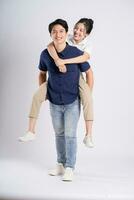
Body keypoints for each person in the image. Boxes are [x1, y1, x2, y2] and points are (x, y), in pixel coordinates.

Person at [19, 18, 94, 148]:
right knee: (36, 96)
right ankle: (31, 131)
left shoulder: (86, 46)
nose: (77, 31)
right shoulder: (66, 36)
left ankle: (88, 135)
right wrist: (58, 60)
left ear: (86, 34)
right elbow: (50, 46)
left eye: (82, 30)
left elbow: (85, 59)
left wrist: (64, 62)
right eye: (76, 28)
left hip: (76, 76)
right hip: (56, 79)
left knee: (88, 99)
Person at [39, 18, 91, 181]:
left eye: (61, 31)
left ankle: (70, 166)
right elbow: (41, 73)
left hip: (72, 100)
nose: (58, 34)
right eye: (54, 31)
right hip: (55, 101)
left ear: (65, 32)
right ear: (50, 34)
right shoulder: (46, 52)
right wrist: (45, 92)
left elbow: (89, 72)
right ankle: (60, 164)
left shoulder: (77, 51)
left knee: (70, 135)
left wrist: (87, 93)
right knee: (59, 134)